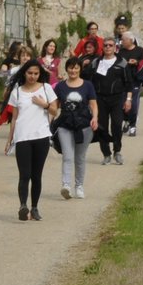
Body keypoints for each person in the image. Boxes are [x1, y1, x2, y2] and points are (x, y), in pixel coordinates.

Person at [5, 59, 58, 221]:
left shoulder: (46, 88)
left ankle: (34, 207)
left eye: (36, 73)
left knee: (36, 175)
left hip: (41, 136)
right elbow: (14, 118)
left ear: (39, 74)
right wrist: (10, 139)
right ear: (24, 73)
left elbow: (55, 111)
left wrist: (44, 104)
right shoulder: (17, 92)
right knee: (24, 174)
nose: (33, 76)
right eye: (30, 73)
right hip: (22, 137)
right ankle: (23, 206)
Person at [52, 55, 96, 201]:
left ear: (80, 69)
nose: (73, 70)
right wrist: (48, 118)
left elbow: (93, 104)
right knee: (67, 156)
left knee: (80, 157)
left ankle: (79, 186)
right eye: (71, 67)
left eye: (76, 67)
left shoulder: (88, 85)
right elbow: (55, 106)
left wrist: (95, 118)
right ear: (67, 69)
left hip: (84, 126)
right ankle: (66, 185)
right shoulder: (60, 86)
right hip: (65, 125)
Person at [89, 38, 133, 166]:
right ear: (102, 48)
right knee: (101, 127)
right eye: (106, 45)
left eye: (110, 45)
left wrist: (128, 100)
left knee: (117, 125)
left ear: (115, 48)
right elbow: (89, 80)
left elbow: (128, 83)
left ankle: (117, 151)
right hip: (100, 98)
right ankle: (106, 154)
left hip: (117, 98)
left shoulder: (122, 62)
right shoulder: (96, 62)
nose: (108, 47)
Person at [117, 32, 143, 136]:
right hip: (123, 80)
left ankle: (132, 125)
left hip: (135, 80)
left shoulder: (140, 51)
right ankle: (126, 120)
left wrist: (136, 62)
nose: (122, 42)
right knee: (122, 103)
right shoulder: (121, 52)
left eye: (124, 40)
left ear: (130, 40)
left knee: (133, 103)